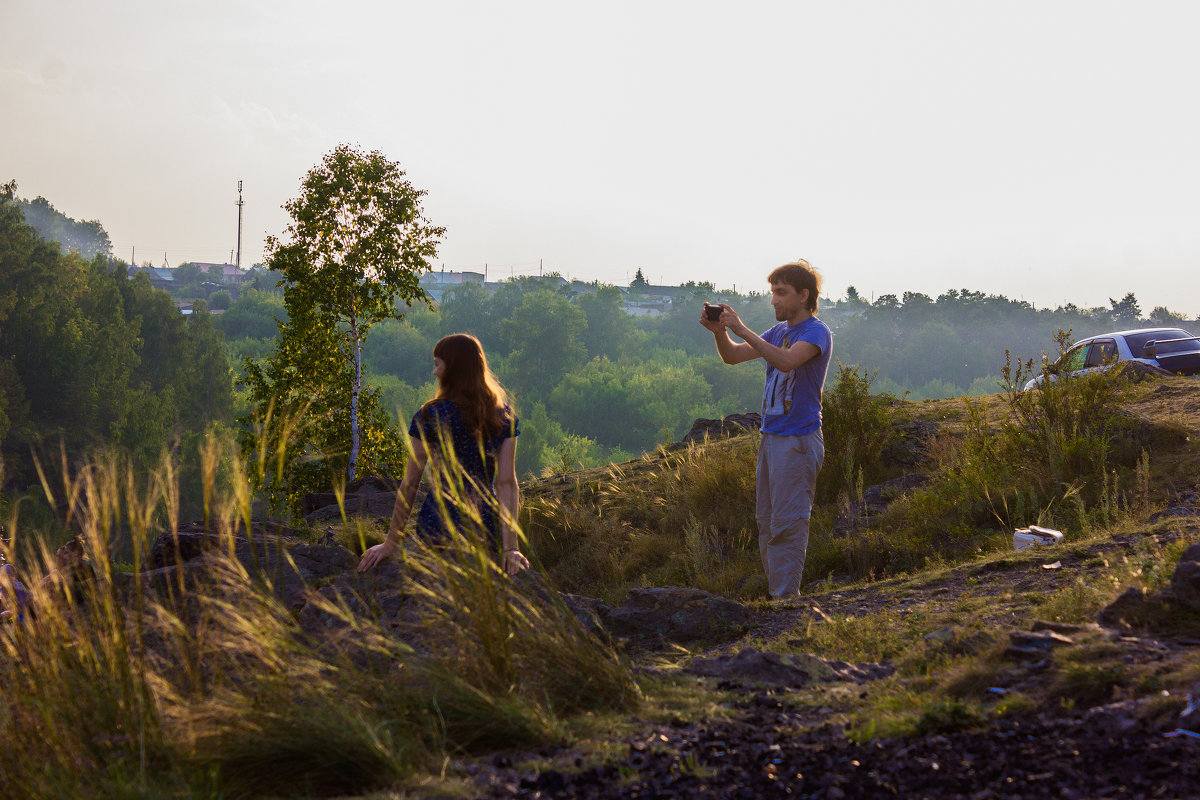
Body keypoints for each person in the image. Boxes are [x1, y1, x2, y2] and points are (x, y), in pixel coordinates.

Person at [700, 260, 832, 597]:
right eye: (772, 292)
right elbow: (732, 357)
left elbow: (786, 361)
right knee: (767, 523)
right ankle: (780, 596)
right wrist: (721, 333)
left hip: (799, 440)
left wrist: (743, 328)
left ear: (804, 295)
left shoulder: (816, 332)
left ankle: (786, 603)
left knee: (788, 524)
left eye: (781, 293)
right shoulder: (778, 333)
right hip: (772, 438)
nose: (773, 300)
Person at [358, 333, 529, 576]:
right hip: (485, 527)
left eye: (438, 364)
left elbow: (410, 484)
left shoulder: (430, 415)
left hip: (438, 526)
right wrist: (510, 548)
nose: (435, 372)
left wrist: (390, 543)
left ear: (453, 369)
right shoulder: (502, 416)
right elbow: (506, 484)